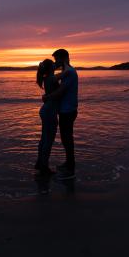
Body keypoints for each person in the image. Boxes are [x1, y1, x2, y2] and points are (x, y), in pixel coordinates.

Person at [42, 49, 78, 179]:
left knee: (67, 139)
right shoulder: (67, 72)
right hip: (66, 110)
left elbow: (60, 91)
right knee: (65, 138)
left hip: (68, 111)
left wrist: (47, 97)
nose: (56, 62)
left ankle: (70, 168)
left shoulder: (69, 73)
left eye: (57, 59)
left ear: (63, 58)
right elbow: (55, 80)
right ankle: (68, 163)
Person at [35, 59, 64, 176]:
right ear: (51, 67)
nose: (55, 65)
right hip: (50, 112)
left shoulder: (47, 78)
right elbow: (61, 89)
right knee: (49, 140)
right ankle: (44, 167)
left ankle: (39, 162)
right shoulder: (52, 78)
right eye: (53, 64)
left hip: (45, 110)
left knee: (43, 138)